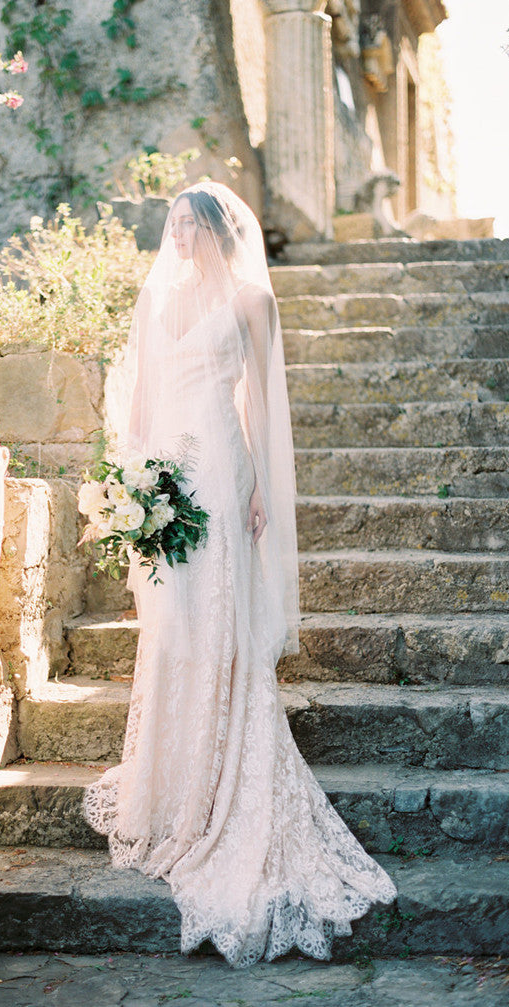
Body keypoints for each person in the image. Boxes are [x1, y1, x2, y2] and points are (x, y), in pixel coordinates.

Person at [83, 181, 396, 967]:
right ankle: (174, 773)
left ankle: (226, 767)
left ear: (222, 228)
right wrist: (131, 487)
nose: (180, 236)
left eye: (193, 224)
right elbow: (143, 402)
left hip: (221, 465)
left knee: (218, 617)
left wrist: (256, 483)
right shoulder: (158, 298)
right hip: (165, 473)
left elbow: (262, 404)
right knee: (173, 623)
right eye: (174, 224)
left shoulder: (256, 300)